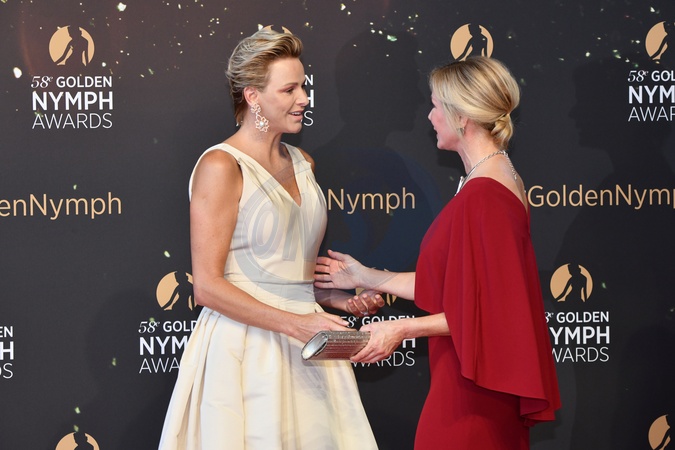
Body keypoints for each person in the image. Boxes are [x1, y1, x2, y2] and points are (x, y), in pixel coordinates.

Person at [314, 56, 561, 449]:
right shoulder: (495, 179)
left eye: (435, 106)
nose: (429, 117)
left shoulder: (484, 194)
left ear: (461, 116)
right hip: (469, 381)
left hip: (473, 393)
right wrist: (365, 276)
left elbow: (489, 312)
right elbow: (455, 290)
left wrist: (401, 328)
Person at [158, 27, 381, 450]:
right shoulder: (221, 166)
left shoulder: (304, 163)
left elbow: (288, 278)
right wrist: (299, 324)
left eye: (304, 87)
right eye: (290, 89)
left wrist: (340, 301)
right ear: (253, 96)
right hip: (245, 350)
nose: (305, 99)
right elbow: (207, 287)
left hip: (310, 348)